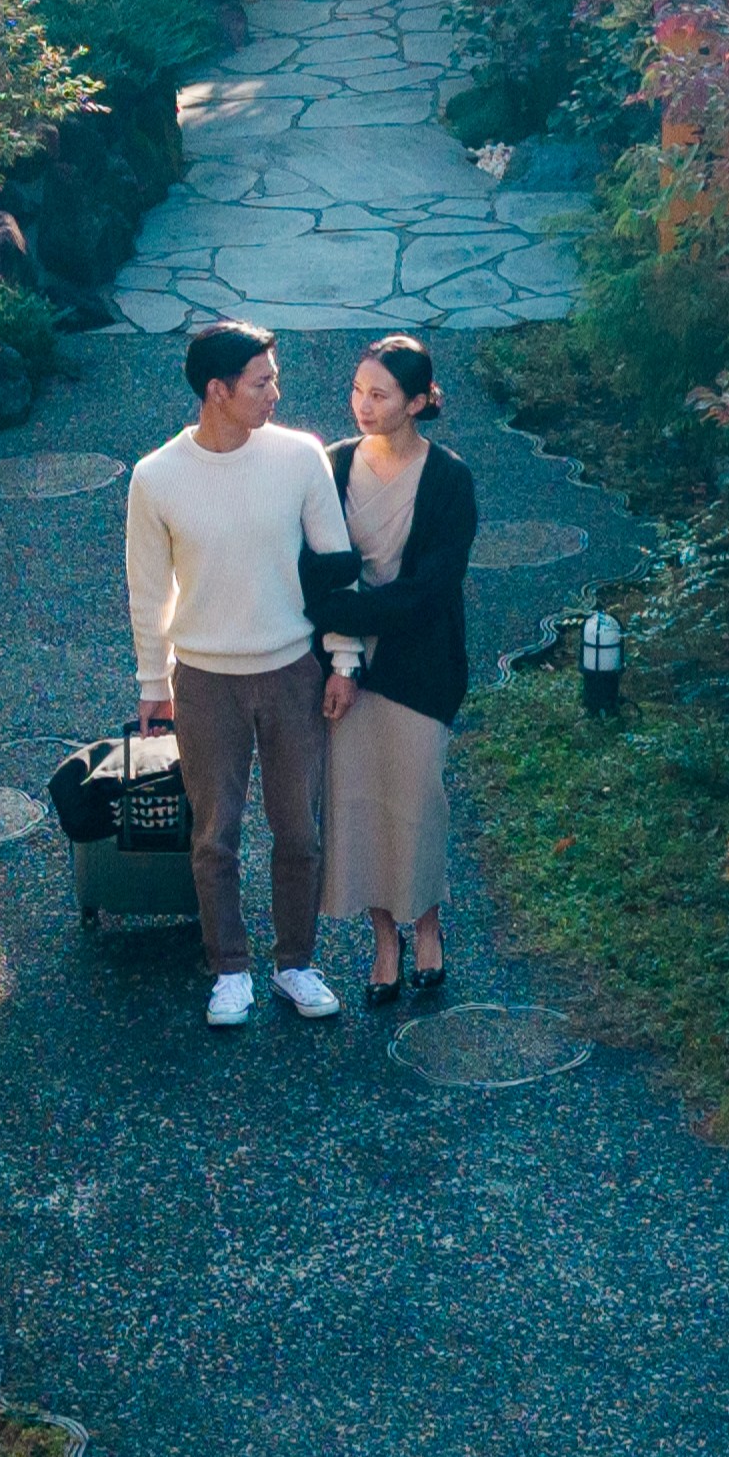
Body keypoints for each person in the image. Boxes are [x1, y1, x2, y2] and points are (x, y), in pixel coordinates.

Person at [123, 317, 352, 1025]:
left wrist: (344, 659)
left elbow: (336, 568)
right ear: (216, 391)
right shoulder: (156, 477)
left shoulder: (298, 457)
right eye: (261, 382)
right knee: (213, 833)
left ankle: (296, 963)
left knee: (299, 830)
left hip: (292, 671)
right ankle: (228, 968)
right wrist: (152, 686)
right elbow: (146, 589)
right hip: (205, 679)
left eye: (273, 377)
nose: (275, 393)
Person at [310, 334, 478, 1003]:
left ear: (415, 402)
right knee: (354, 802)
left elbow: (432, 588)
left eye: (379, 395)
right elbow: (314, 573)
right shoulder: (330, 465)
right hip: (341, 667)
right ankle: (383, 938)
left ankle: (427, 925)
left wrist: (348, 612)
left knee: (417, 800)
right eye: (357, 390)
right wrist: (340, 654)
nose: (362, 405)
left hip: (420, 662)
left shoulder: (449, 479)